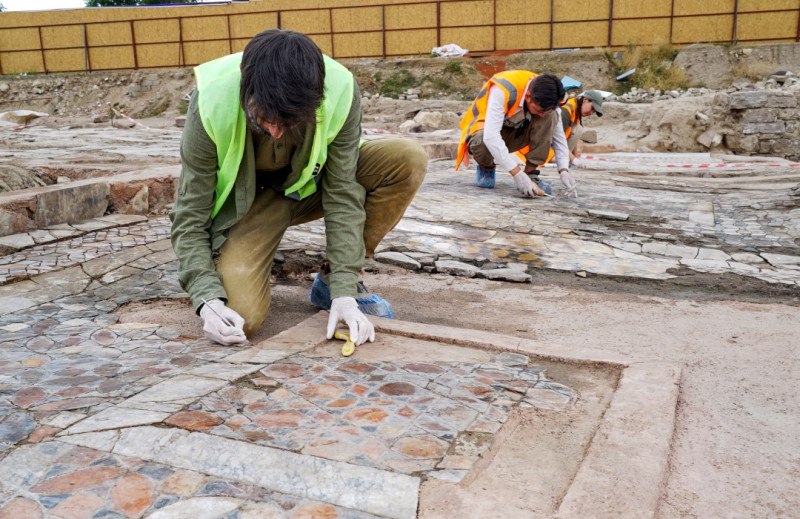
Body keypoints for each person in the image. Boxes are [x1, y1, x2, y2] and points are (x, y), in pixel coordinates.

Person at [169, 29, 427, 348]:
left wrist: (344, 291)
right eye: (264, 117)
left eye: (289, 121)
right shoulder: (211, 101)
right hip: (248, 207)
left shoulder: (340, 89)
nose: (276, 132)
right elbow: (189, 216)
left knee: (407, 159)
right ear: (245, 84)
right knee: (240, 318)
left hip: (311, 187)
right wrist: (207, 298)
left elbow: (343, 195)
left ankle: (330, 282)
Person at [455, 71, 577, 198]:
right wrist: (517, 174)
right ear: (528, 96)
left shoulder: (550, 96)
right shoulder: (503, 90)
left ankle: (531, 174)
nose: (541, 115)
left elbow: (559, 138)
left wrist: (563, 170)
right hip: (483, 133)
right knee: (482, 140)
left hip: (514, 132)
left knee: (550, 116)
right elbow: (491, 136)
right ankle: (487, 166)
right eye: (539, 110)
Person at [558, 90, 604, 168]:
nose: (591, 113)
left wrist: (576, 158)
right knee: (578, 129)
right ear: (585, 100)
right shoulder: (565, 112)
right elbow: (557, 142)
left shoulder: (575, 110)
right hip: (548, 152)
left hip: (560, 150)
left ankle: (567, 159)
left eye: (594, 111)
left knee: (578, 128)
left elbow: (573, 139)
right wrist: (574, 160)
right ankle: (563, 159)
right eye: (592, 108)